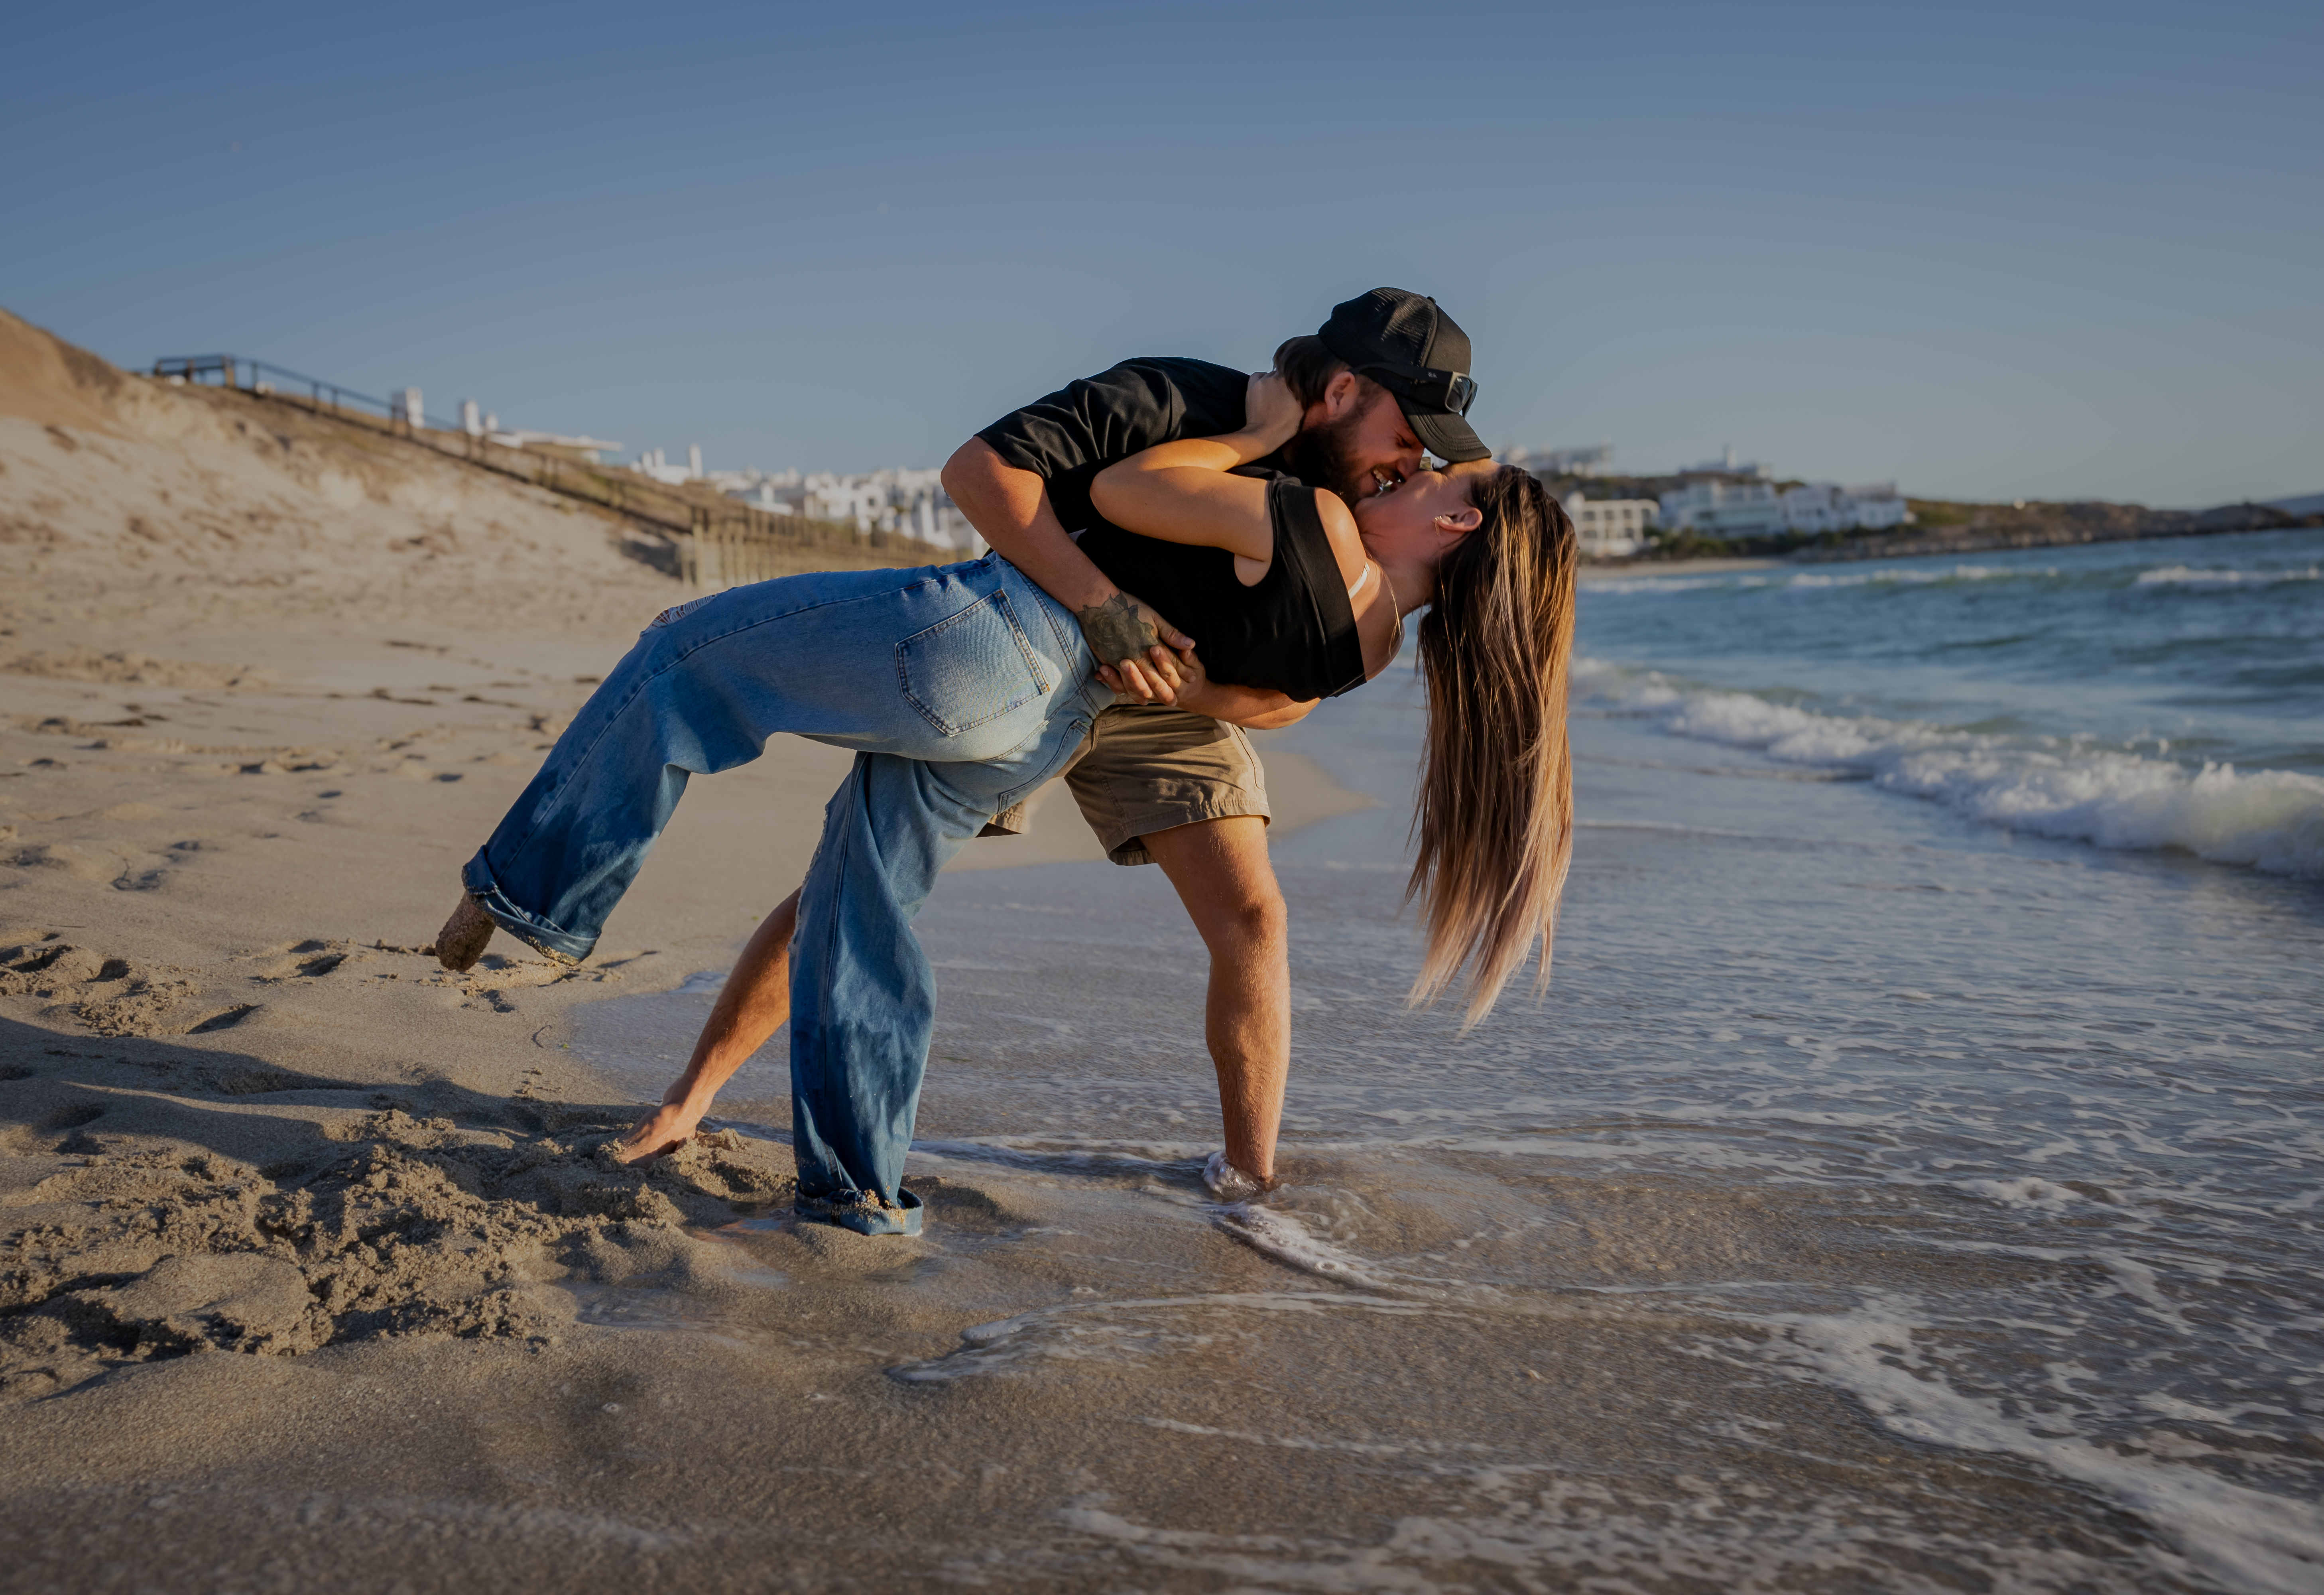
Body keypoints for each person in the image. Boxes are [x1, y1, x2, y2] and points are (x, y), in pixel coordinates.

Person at [435, 300, 1577, 1233]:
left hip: (1020, 658)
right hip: (1073, 670)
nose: (1413, 462)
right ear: (1341, 392)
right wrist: (1142, 635)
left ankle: (531, 895)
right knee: (857, 892)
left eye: (1434, 466)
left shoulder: (1312, 509)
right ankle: (849, 1189)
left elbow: (1177, 577)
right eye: (1409, 439)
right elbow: (989, 475)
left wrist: (1188, 577)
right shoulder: (1196, 416)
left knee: (685, 656)